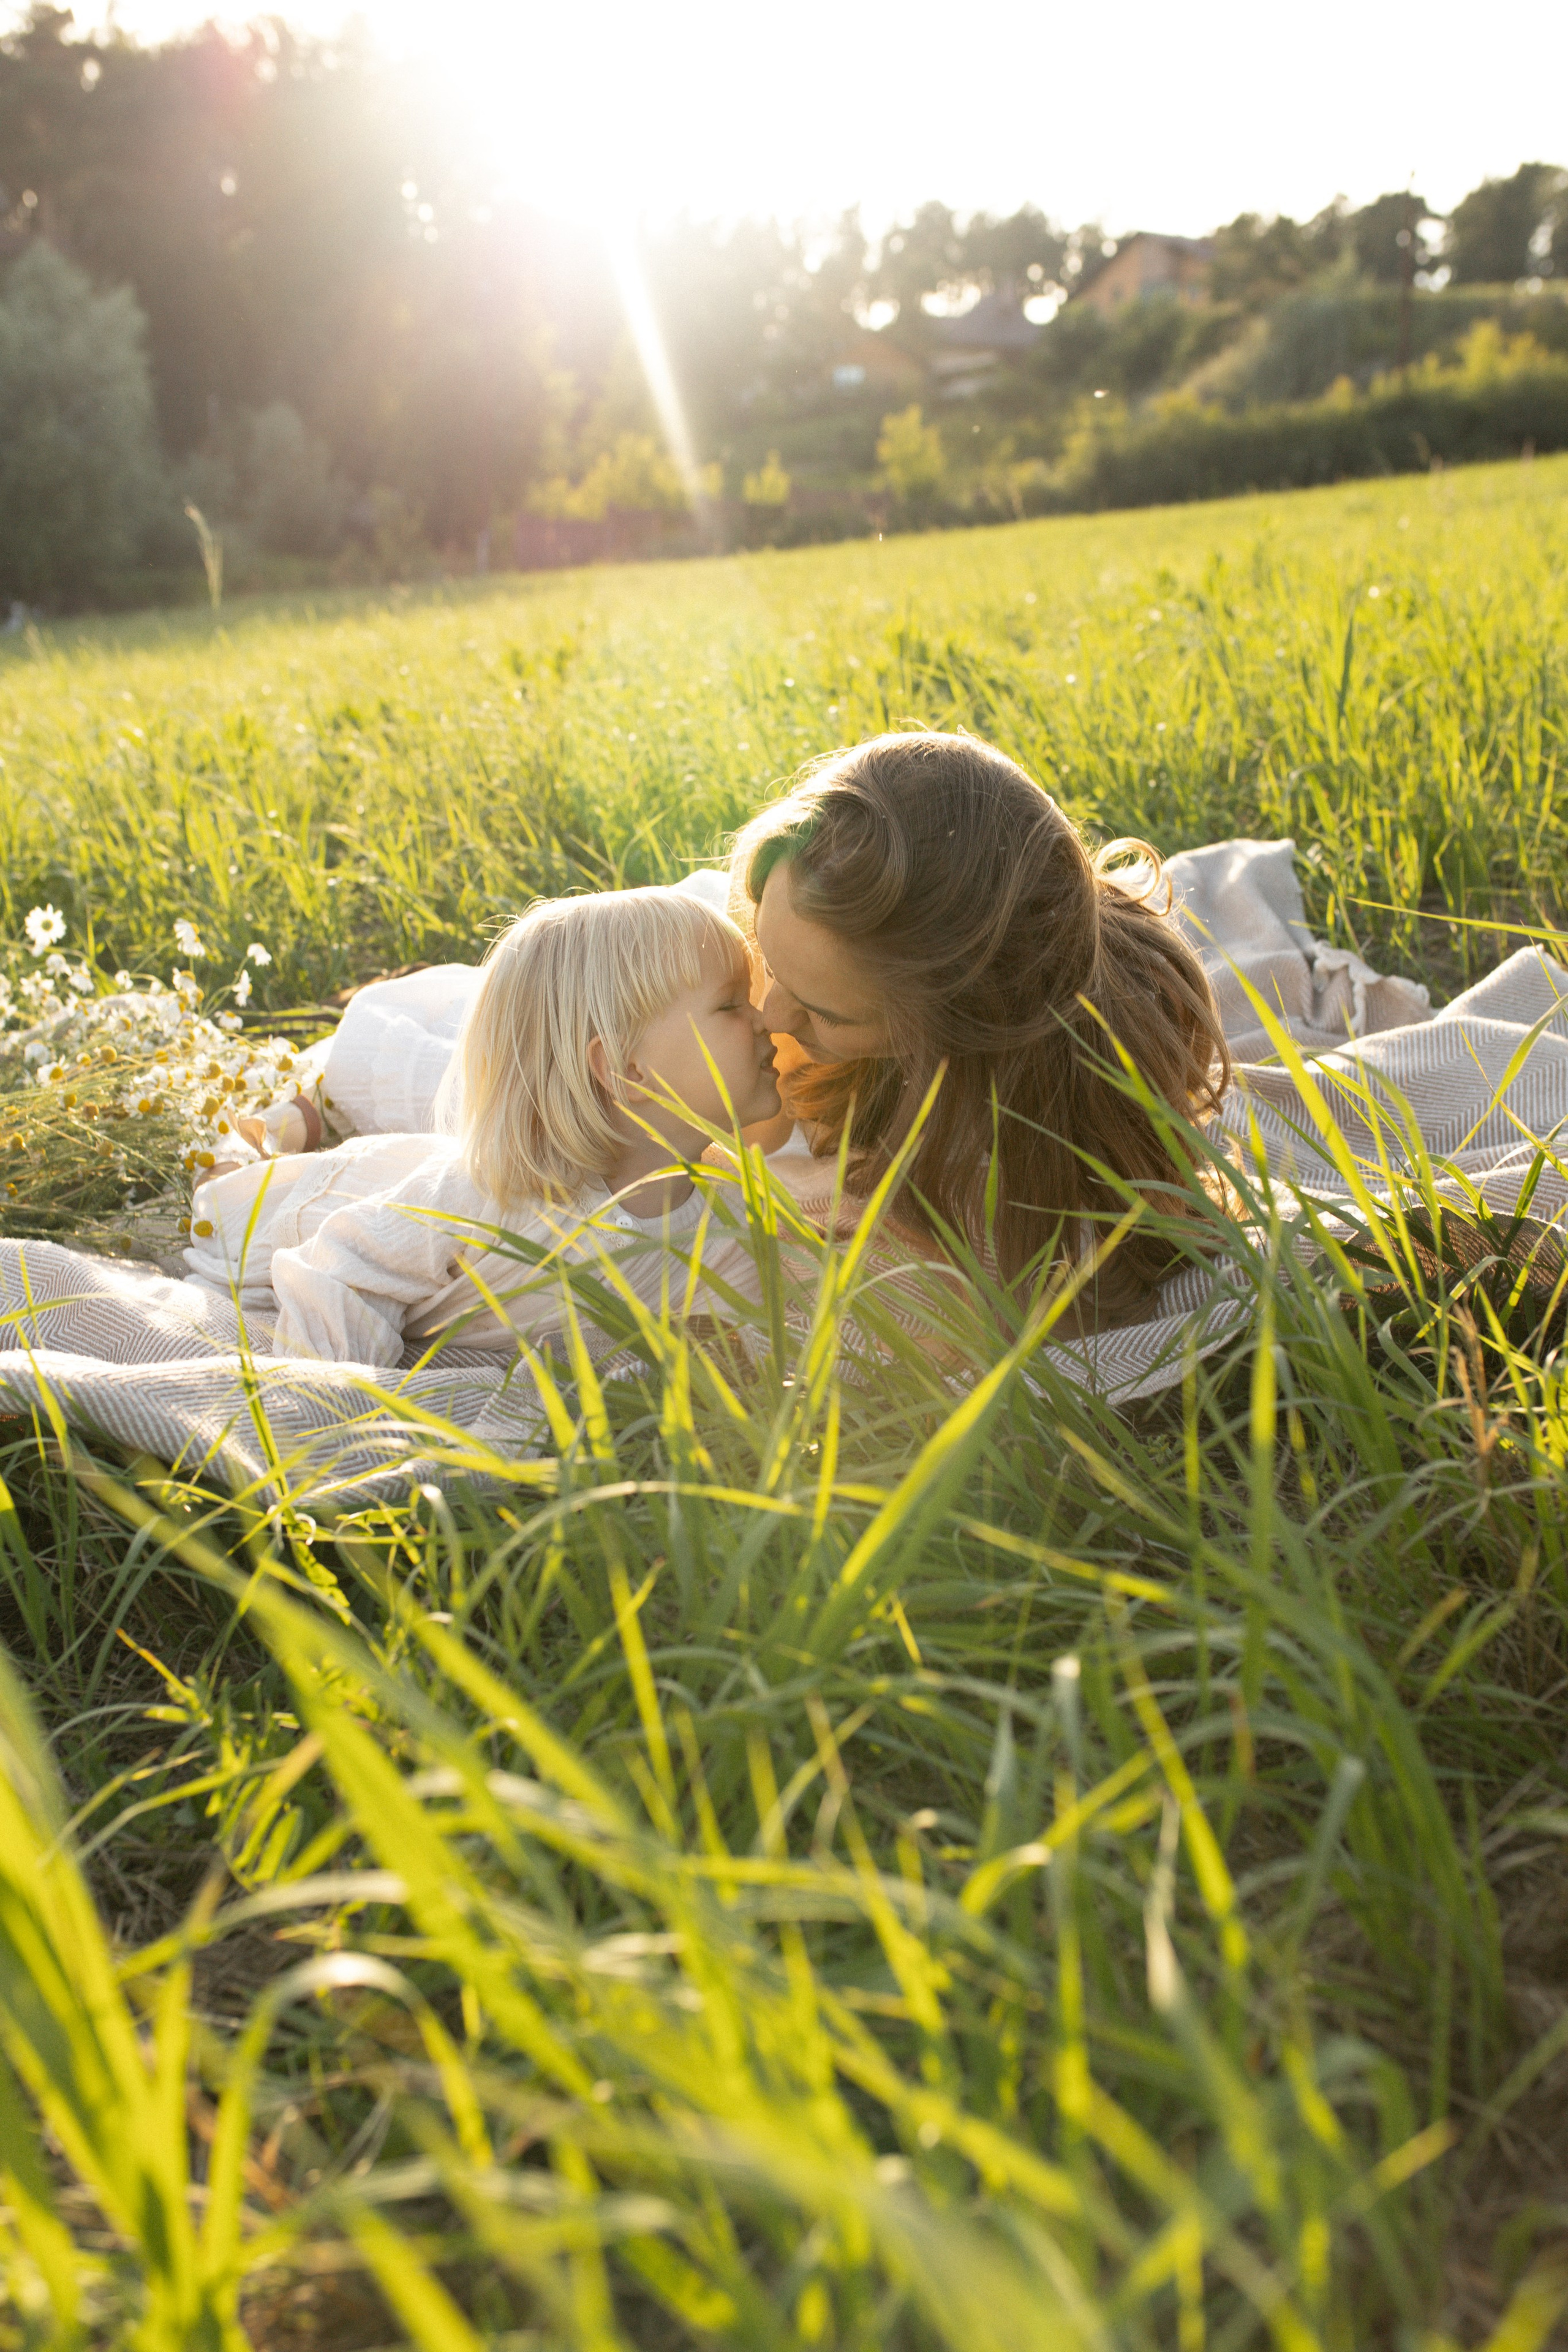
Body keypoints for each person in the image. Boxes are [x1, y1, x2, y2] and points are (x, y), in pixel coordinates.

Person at [732, 731, 1229, 1314]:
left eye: (823, 1012)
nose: (770, 1016)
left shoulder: (1060, 1116)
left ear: (953, 1027)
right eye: (770, 959)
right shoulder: (811, 939)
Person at [182, 884, 780, 1365]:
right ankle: (267, 1134)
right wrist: (347, 1406)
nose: (765, 1020)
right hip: (299, 1217)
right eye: (732, 1004)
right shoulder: (490, 1199)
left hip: (398, 1196)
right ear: (626, 1071)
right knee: (230, 1185)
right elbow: (335, 1265)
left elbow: (746, 1335)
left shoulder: (727, 1217)